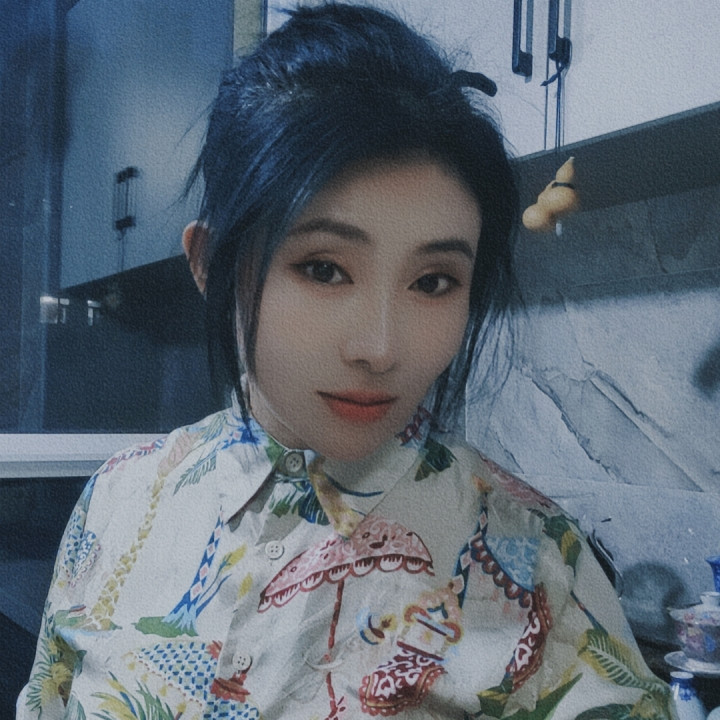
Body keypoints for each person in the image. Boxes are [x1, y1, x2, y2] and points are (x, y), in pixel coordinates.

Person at [18, 4, 672, 719]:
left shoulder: (538, 559)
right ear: (211, 264)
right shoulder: (117, 505)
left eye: (433, 282)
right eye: (324, 269)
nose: (380, 348)